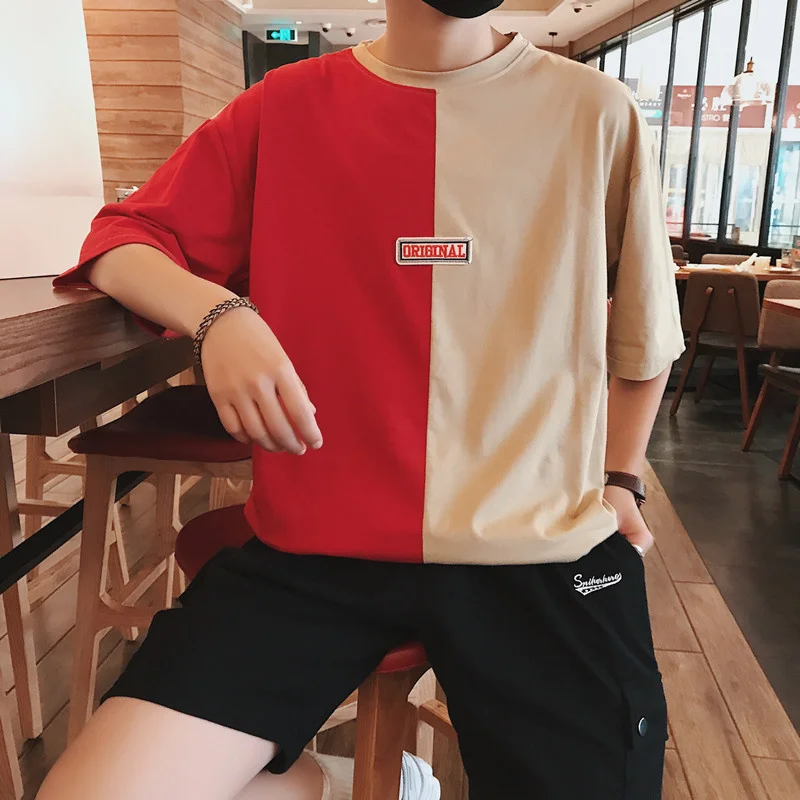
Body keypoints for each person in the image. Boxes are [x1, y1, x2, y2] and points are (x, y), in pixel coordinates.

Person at [37, 0, 685, 797]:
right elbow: (119, 240)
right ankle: (345, 781)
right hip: (315, 547)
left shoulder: (595, 111)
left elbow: (646, 341)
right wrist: (218, 315)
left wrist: (621, 479)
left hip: (538, 548)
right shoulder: (281, 108)